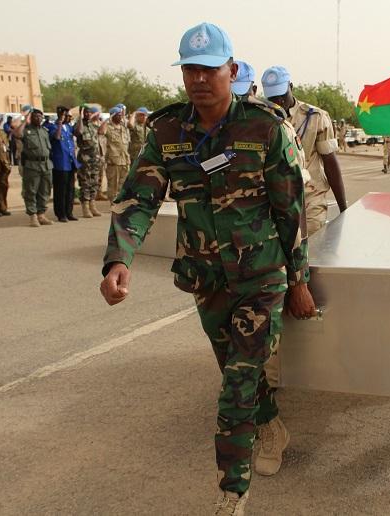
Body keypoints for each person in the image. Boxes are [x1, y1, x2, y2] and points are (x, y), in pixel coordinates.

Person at [99, 22, 313, 515]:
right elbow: (138, 199)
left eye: (209, 69)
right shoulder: (167, 131)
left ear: (231, 70)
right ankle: (271, 423)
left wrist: (298, 281)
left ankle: (231, 493)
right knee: (238, 371)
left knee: (236, 384)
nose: (198, 78)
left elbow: (290, 212)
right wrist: (119, 259)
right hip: (206, 279)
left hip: (261, 277)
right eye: (190, 69)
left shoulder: (265, 128)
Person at [262, 65, 347, 234]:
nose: (278, 101)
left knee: (312, 245)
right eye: (272, 97)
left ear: (291, 87)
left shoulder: (316, 117)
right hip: (275, 203)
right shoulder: (260, 118)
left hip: (310, 200)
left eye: (282, 95)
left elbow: (330, 163)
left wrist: (344, 209)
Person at [14, 109, 54, 227]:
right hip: (32, 165)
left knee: (45, 191)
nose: (38, 118)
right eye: (35, 116)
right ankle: (33, 216)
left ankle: (41, 214)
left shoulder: (44, 131)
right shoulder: (26, 130)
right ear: (31, 118)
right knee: (31, 191)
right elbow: (17, 134)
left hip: (46, 164)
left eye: (40, 116)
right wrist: (24, 121)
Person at [49, 106, 81, 222]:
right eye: (67, 116)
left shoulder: (68, 127)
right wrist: (59, 123)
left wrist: (81, 117)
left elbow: (78, 132)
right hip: (60, 164)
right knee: (60, 190)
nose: (69, 118)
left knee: (70, 189)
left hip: (70, 162)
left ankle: (69, 212)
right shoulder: (53, 126)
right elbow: (57, 137)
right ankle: (61, 213)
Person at [74, 105, 105, 218]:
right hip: (85, 159)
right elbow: (79, 132)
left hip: (95, 158)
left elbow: (101, 132)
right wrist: (80, 117)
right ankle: (85, 207)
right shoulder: (79, 125)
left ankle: (93, 205)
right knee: (85, 183)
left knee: (94, 182)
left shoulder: (93, 125)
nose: (87, 114)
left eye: (89, 112)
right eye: (85, 112)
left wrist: (102, 120)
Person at [104, 106, 130, 202]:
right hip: (114, 161)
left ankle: (120, 203)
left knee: (123, 185)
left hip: (125, 160)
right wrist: (108, 120)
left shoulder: (124, 128)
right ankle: (113, 204)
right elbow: (101, 131)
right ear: (113, 116)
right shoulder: (108, 128)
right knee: (113, 185)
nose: (120, 117)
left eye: (121, 115)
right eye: (118, 115)